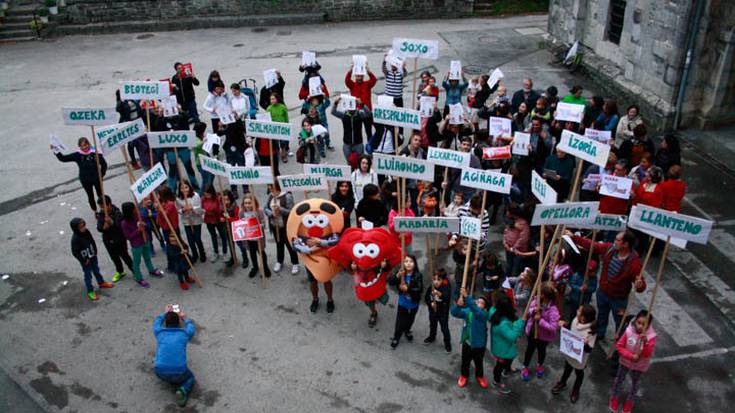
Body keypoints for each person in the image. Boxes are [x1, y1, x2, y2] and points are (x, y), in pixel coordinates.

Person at [570, 230, 646, 339]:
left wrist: (640, 286)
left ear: (626, 244)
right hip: (603, 293)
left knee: (619, 322)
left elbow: (641, 285)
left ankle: (620, 340)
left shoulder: (634, 264)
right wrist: (574, 238)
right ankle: (600, 334)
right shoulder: (610, 249)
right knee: (602, 316)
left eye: (617, 240)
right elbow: (593, 245)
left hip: (619, 299)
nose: (614, 241)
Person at [610, 310, 657, 413]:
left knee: (635, 384)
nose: (640, 326)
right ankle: (614, 396)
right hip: (625, 362)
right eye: (639, 323)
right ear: (635, 321)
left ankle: (630, 401)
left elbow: (647, 353)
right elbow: (619, 346)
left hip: (639, 366)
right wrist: (630, 356)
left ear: (648, 325)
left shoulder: (651, 337)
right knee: (618, 380)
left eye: (644, 324)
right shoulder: (628, 331)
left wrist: (645, 343)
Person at [552, 305, 597, 404]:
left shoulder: (590, 332)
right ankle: (562, 383)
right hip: (570, 354)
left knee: (579, 374)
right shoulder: (575, 320)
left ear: (584, 317)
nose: (577, 311)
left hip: (580, 359)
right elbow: (572, 329)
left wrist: (585, 345)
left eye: (579, 311)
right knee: (567, 369)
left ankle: (576, 390)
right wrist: (565, 324)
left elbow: (589, 349)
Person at [153, 305, 197, 407]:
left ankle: (171, 380)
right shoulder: (184, 334)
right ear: (179, 323)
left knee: (160, 362)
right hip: (180, 371)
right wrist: (184, 318)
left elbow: (156, 323)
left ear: (165, 324)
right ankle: (182, 390)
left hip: (160, 371)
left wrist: (165, 313)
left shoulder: (159, 333)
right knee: (190, 378)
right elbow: (191, 328)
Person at [53, 137, 107, 211]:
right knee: (90, 196)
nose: (84, 147)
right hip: (85, 180)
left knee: (100, 195)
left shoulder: (95, 153)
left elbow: (104, 165)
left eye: (85, 145)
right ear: (79, 146)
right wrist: (55, 150)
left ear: (89, 144)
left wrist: (101, 175)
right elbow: (63, 158)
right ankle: (95, 211)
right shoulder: (77, 155)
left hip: (96, 179)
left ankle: (104, 209)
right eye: (81, 146)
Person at [451, 288, 490, 388]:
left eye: (481, 303)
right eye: (477, 301)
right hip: (467, 343)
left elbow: (476, 311)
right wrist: (458, 306)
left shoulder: (483, 315)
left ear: (485, 307)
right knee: (465, 361)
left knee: (479, 362)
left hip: (479, 345)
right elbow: (454, 313)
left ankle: (480, 376)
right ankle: (464, 375)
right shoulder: (468, 311)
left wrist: (467, 297)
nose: (478, 303)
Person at [521, 282, 560, 381]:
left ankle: (539, 365)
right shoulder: (536, 301)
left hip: (543, 337)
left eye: (540, 293)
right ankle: (525, 366)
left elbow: (553, 327)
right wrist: (533, 311)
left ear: (545, 296)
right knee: (529, 350)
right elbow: (528, 311)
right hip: (532, 332)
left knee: (541, 351)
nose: (538, 295)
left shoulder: (553, 310)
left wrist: (540, 321)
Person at [489, 292, 525, 394]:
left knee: (507, 361)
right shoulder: (503, 324)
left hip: (503, 348)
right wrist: (519, 324)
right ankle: (496, 381)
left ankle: (507, 370)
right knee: (499, 366)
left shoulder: (494, 311)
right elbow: (512, 337)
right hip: (502, 350)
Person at [120, 202, 163, 287]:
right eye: (134, 208)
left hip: (145, 240)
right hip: (136, 245)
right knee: (137, 262)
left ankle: (151, 270)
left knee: (147, 258)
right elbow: (128, 236)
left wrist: (144, 224)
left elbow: (145, 222)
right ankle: (138, 277)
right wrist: (138, 231)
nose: (136, 209)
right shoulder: (124, 223)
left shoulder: (138, 216)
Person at [70, 217, 114, 301]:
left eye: (84, 225)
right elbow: (75, 252)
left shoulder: (86, 232)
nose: (84, 228)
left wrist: (95, 250)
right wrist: (83, 260)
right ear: (76, 228)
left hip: (92, 255)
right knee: (88, 275)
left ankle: (101, 282)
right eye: (81, 227)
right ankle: (90, 290)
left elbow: (92, 241)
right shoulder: (75, 239)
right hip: (86, 260)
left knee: (96, 270)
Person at [96, 196, 136, 284]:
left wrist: (112, 223)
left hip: (119, 239)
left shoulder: (117, 213)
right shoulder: (101, 214)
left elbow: (121, 226)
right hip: (108, 240)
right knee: (114, 257)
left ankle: (134, 271)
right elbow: (99, 228)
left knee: (125, 256)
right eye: (101, 207)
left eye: (103, 206)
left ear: (109, 204)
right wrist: (104, 227)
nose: (102, 209)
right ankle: (120, 271)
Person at [388, 255, 423, 349]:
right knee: (400, 321)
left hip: (413, 303)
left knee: (410, 319)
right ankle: (396, 337)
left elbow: (419, 289)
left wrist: (408, 288)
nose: (408, 263)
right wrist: (397, 276)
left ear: (415, 264)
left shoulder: (418, 275)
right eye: (406, 261)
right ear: (403, 263)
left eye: (411, 261)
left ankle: (407, 331)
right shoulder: (400, 273)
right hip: (402, 303)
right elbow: (390, 282)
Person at [264, 183, 299, 275]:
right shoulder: (270, 196)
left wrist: (280, 209)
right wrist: (271, 213)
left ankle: (295, 263)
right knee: (279, 244)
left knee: (289, 245)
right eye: (270, 189)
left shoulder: (287, 196)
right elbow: (265, 208)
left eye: (273, 189)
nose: (271, 191)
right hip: (275, 225)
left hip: (285, 226)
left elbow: (292, 212)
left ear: (278, 188)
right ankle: (279, 261)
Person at [240, 194, 271, 279]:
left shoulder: (258, 211)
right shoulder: (242, 212)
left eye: (249, 203)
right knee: (252, 253)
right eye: (245, 203)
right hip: (249, 238)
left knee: (261, 253)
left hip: (258, 238)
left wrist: (260, 225)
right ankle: (255, 267)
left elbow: (264, 224)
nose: (247, 205)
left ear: (254, 203)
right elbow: (240, 224)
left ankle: (265, 267)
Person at [332, 96, 369, 162]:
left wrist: (361, 104)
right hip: (347, 144)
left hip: (358, 143)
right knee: (349, 164)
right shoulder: (344, 115)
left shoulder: (360, 114)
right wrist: (336, 102)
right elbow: (333, 112)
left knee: (360, 162)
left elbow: (368, 113)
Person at [423, 269, 452, 352]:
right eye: (434, 279)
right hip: (433, 312)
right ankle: (432, 337)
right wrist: (430, 303)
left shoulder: (446, 287)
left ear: (442, 280)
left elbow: (446, 297)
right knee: (432, 325)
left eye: (438, 280)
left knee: (444, 329)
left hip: (443, 313)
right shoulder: (431, 287)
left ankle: (447, 344)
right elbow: (426, 298)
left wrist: (439, 293)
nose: (435, 282)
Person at [177, 180, 206, 263]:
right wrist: (183, 210)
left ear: (189, 187)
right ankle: (195, 254)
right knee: (190, 240)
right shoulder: (178, 198)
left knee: (197, 238)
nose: (184, 190)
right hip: (187, 222)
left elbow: (200, 210)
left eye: (186, 187)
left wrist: (192, 208)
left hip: (196, 220)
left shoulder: (195, 196)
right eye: (182, 188)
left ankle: (202, 253)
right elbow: (178, 210)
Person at [345, 63, 377, 137]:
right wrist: (350, 71)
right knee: (357, 133)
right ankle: (359, 147)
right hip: (356, 113)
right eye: (357, 76)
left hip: (367, 112)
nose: (359, 78)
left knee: (369, 132)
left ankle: (370, 147)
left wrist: (368, 71)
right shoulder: (352, 85)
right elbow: (347, 81)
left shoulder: (367, 84)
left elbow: (374, 80)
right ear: (355, 76)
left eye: (361, 76)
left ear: (363, 76)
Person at [201, 185, 228, 263]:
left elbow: (220, 208)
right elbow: (202, 208)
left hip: (218, 219)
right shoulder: (203, 199)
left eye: (208, 194)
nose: (207, 196)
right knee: (213, 236)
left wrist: (221, 215)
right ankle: (216, 252)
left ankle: (225, 252)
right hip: (209, 219)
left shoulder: (217, 198)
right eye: (205, 194)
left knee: (223, 236)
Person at [222, 190, 247, 268]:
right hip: (227, 229)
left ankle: (245, 259)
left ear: (231, 199)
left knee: (241, 245)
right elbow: (220, 215)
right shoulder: (222, 206)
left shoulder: (235, 207)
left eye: (227, 200)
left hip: (235, 230)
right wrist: (221, 218)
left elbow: (237, 220)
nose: (226, 202)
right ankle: (233, 258)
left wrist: (228, 218)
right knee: (230, 245)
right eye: (224, 200)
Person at [266, 92, 291, 162]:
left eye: (273, 99)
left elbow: (286, 117)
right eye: (271, 99)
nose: (272, 101)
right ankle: (276, 155)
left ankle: (284, 155)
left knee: (283, 143)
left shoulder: (282, 107)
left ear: (277, 99)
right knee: (276, 143)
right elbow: (267, 119)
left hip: (282, 128)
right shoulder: (269, 108)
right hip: (274, 128)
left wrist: (287, 126)